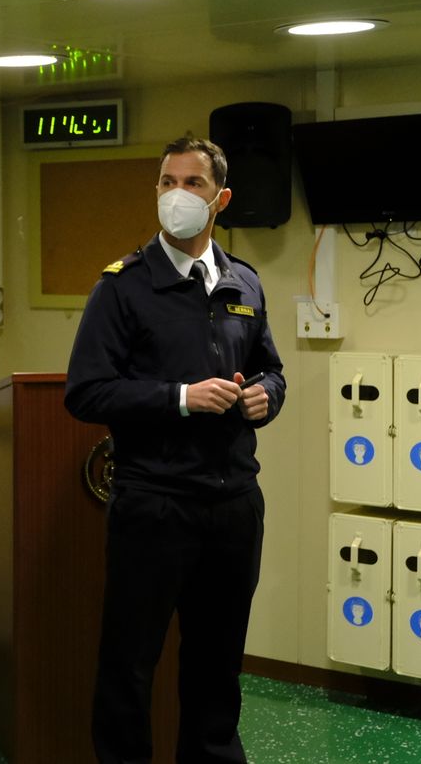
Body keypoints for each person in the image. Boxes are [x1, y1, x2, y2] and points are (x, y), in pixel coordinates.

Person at [65, 135, 285, 764]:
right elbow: (87, 393)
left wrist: (268, 394)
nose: (176, 196)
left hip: (234, 505)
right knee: (129, 667)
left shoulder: (244, 281)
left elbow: (271, 369)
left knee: (218, 667)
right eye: (167, 182)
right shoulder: (123, 287)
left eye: (192, 183)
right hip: (155, 505)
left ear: (221, 198)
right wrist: (181, 398)